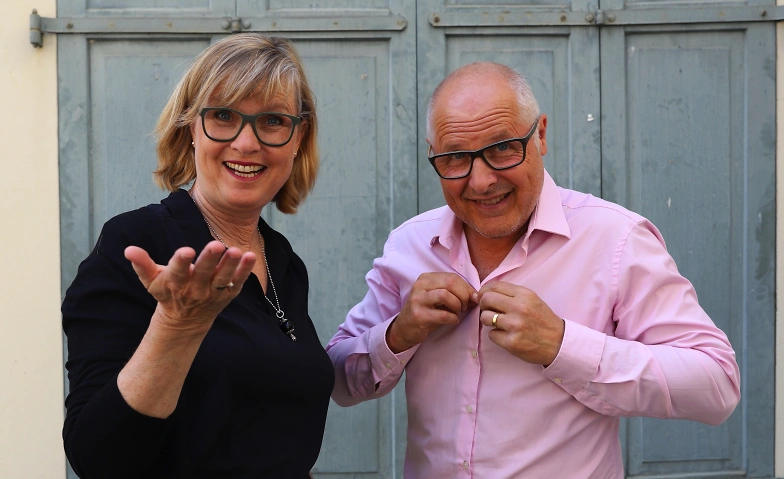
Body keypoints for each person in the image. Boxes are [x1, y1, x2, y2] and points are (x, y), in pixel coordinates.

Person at [326, 62, 740, 478]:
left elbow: (717, 384)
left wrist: (562, 345)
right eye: (455, 157)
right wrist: (398, 335)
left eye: (502, 148)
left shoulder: (616, 239)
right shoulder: (409, 244)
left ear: (540, 135)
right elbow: (337, 382)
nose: (481, 181)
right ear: (434, 155)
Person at [62, 34, 334, 479]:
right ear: (190, 127)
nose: (246, 143)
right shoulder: (136, 244)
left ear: (297, 138)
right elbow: (97, 458)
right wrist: (177, 326)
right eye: (223, 116)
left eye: (272, 121)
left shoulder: (284, 262)